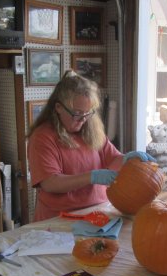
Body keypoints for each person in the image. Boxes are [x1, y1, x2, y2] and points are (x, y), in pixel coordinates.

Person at [27, 70, 155, 222]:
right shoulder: (42, 137)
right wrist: (92, 176)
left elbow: (113, 159)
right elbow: (50, 183)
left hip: (97, 211)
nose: (83, 120)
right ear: (58, 108)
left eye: (87, 113)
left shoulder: (91, 131)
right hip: (59, 219)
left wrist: (128, 159)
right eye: (77, 113)